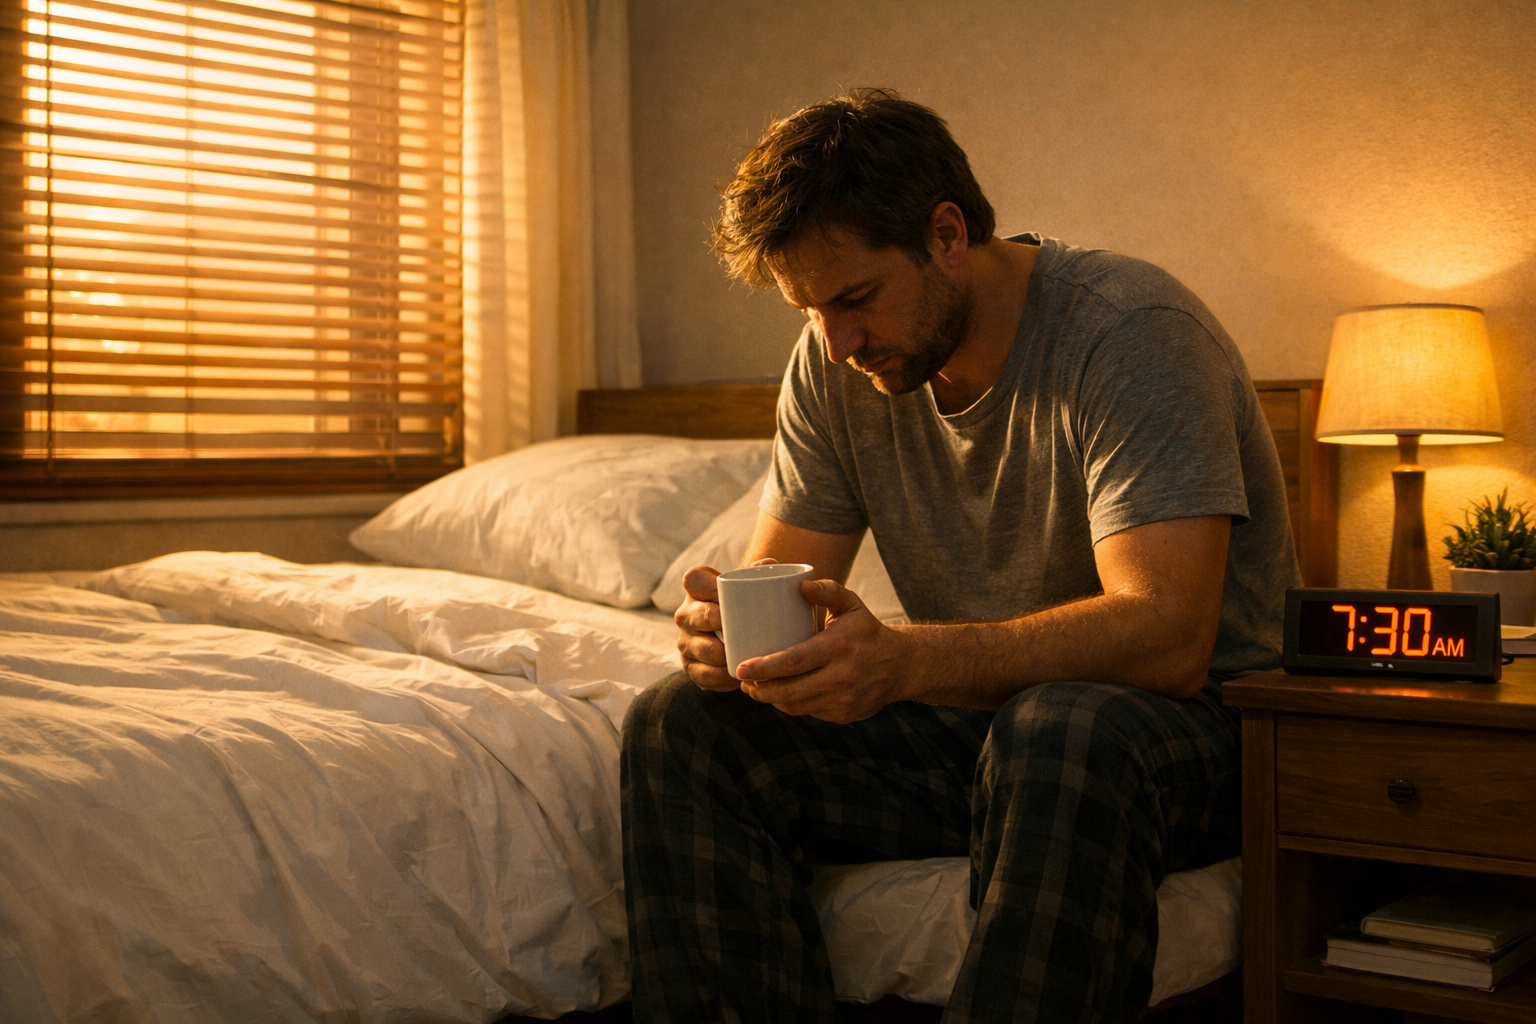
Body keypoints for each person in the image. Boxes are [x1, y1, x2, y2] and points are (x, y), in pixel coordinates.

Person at [620, 88, 1298, 1023]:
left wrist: (913, 660)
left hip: (1191, 732)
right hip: (981, 725)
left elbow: (1169, 637)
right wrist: (731, 649)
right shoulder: (832, 361)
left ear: (946, 235)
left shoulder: (1129, 332)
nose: (837, 340)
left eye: (855, 298)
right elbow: (784, 586)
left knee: (1060, 728)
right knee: (682, 726)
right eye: (809, 310)